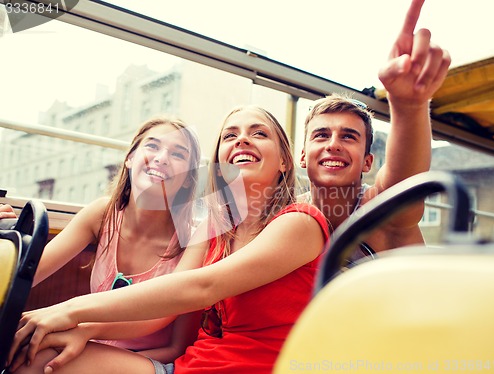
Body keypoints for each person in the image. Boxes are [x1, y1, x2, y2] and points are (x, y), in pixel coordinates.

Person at [8, 105, 329, 374]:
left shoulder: (300, 221)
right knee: (31, 357)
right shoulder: (217, 233)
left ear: (285, 161)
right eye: (230, 136)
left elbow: (201, 288)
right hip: (192, 365)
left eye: (258, 133)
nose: (242, 139)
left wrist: (74, 313)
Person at [11, 116, 203, 365]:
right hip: (88, 346)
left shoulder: (194, 239)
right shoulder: (102, 214)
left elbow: (177, 346)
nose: (162, 157)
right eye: (152, 146)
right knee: (23, 347)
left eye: (178, 155)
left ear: (188, 177)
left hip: (148, 361)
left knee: (37, 358)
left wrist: (86, 340)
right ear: (130, 158)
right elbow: (26, 275)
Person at [299, 0, 451, 254]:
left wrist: (409, 106)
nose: (333, 144)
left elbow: (404, 182)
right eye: (321, 135)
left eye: (348, 137)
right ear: (302, 156)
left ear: (368, 162)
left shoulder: (380, 209)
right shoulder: (288, 215)